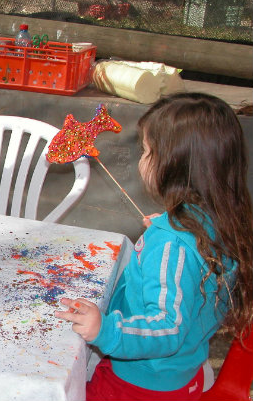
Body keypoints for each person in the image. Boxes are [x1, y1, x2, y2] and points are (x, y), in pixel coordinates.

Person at [55, 92, 253, 400]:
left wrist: (104, 331)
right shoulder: (217, 221)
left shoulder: (174, 243)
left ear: (176, 167)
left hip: (143, 384)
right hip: (181, 372)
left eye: (147, 152)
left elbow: (167, 328)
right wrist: (173, 225)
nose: (141, 161)